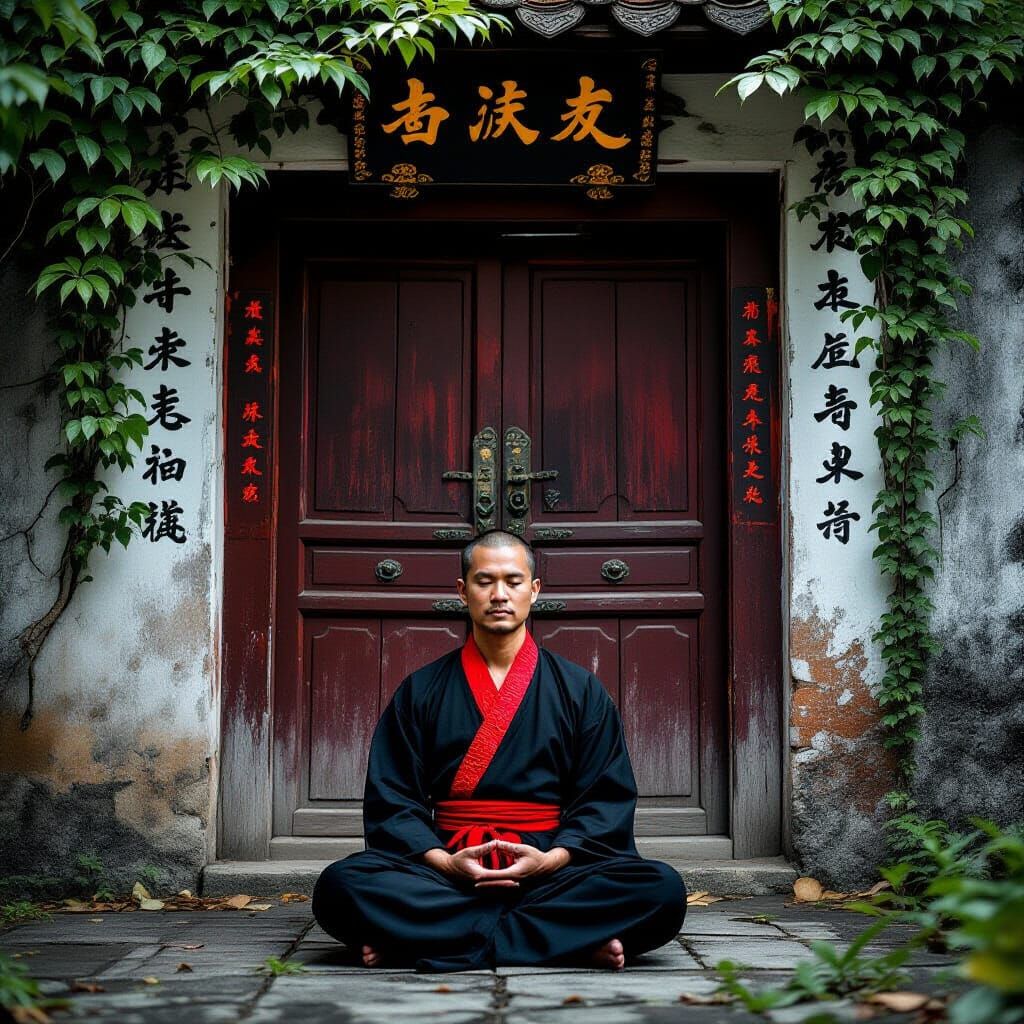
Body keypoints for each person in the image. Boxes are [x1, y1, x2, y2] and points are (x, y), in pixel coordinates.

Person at [312, 530, 686, 972]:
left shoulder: (579, 690)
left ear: (535, 589)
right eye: (484, 581)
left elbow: (605, 797)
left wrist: (551, 860)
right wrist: (445, 863)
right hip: (449, 864)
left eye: (513, 580)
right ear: (461, 590)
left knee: (662, 889)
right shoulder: (422, 690)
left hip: (550, 868)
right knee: (339, 886)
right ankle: (566, 943)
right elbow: (393, 799)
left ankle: (423, 940)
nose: (499, 594)